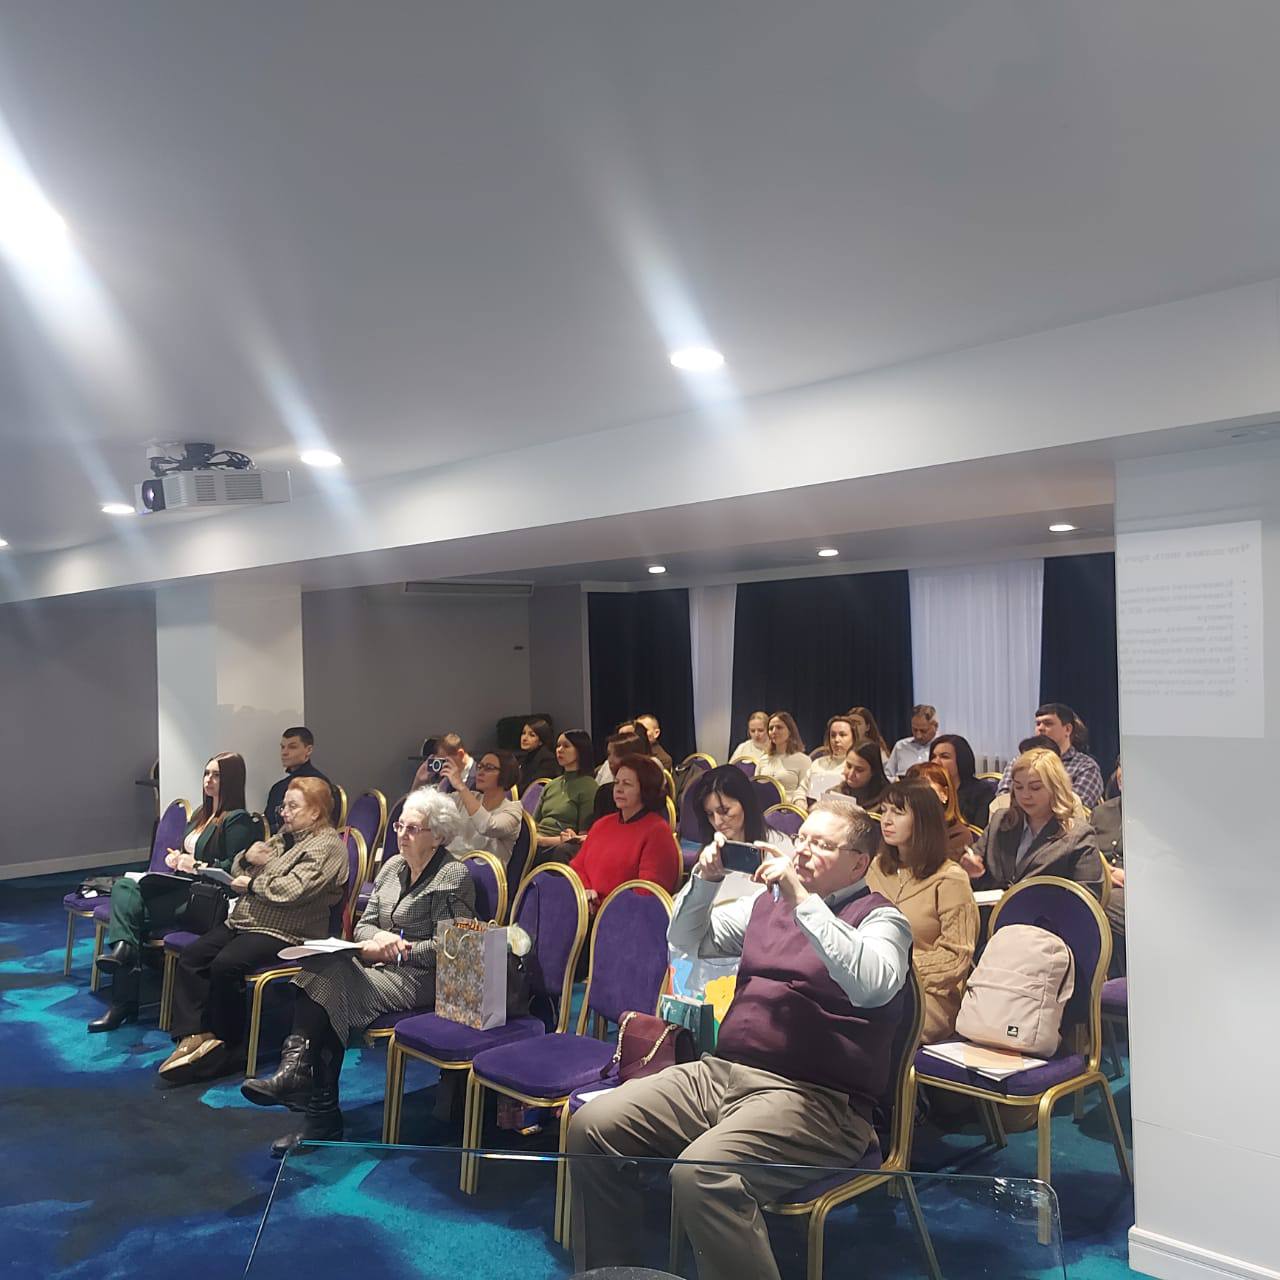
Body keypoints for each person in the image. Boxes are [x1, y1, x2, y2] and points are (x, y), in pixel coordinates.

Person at [567, 795, 912, 1280]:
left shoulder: (882, 920)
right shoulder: (766, 904)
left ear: (859, 863)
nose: (803, 851)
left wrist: (803, 901)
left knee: (703, 1173)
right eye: (802, 839)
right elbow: (687, 940)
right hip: (721, 1074)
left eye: (822, 845)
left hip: (817, 1102)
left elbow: (871, 985)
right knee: (592, 1126)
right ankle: (615, 1272)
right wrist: (705, 881)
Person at [240, 787, 476, 1153]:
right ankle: (303, 1083)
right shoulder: (393, 867)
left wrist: (398, 952)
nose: (402, 835)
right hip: (377, 966)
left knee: (329, 983)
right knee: (323, 970)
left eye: (413, 829)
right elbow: (364, 925)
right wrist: (377, 938)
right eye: (399, 826)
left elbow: (453, 949)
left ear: (438, 836)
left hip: (422, 978)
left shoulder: (453, 876)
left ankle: (310, 1096)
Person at [159, 776, 348, 1082]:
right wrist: (246, 858)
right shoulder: (284, 837)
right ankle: (196, 1034)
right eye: (284, 806)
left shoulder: (328, 846)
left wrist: (253, 883)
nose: (284, 812)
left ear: (315, 812)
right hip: (248, 920)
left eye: (293, 806)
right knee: (193, 957)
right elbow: (239, 870)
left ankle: (231, 1045)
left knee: (226, 964)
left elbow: (294, 889)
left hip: (290, 931)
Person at [89, 753, 258, 1033]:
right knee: (124, 886)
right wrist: (176, 858)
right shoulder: (202, 814)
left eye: (216, 775)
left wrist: (197, 865)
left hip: (206, 896)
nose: (209, 780)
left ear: (232, 779)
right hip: (180, 885)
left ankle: (123, 995)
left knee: (129, 918)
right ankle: (124, 954)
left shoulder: (238, 819)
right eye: (206, 773)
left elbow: (235, 867)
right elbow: (185, 852)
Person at [870, 779, 979, 1043]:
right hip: (870, 983)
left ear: (922, 820)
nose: (886, 820)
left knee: (869, 1023)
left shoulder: (950, 878)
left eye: (898, 812)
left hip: (927, 995)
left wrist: (894, 972)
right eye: (884, 811)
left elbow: (956, 956)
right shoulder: (876, 867)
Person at [964, 748, 1104, 896]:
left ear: (1055, 788)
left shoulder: (1078, 835)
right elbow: (976, 870)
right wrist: (970, 870)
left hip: (1046, 910)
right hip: (993, 909)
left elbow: (1087, 895)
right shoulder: (1001, 821)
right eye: (1018, 787)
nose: (1025, 795)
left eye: (1035, 788)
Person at [571, 755, 681, 907]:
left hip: (626, 915)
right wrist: (586, 893)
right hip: (585, 909)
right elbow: (577, 867)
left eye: (627, 784)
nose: (619, 789)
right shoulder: (602, 824)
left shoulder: (658, 831)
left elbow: (650, 892)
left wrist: (602, 906)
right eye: (616, 782)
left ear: (645, 789)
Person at [995, 703, 1103, 808]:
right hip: (1017, 818)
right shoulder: (1019, 760)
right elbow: (1002, 799)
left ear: (1067, 729)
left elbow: (1076, 806)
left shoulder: (1085, 766)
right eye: (1038, 724)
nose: (1040, 728)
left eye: (1048, 723)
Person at [446, 749, 525, 867]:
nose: (480, 772)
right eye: (480, 767)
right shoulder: (470, 797)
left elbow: (488, 827)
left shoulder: (513, 810)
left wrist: (461, 786)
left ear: (505, 774)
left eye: (488, 768)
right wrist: (420, 780)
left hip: (482, 874)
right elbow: (431, 807)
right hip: (450, 865)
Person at [532, 730, 598, 856]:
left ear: (580, 750)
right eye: (558, 746)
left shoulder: (589, 786)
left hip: (559, 843)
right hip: (537, 840)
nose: (559, 750)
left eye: (566, 746)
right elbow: (534, 823)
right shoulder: (551, 785)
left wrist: (543, 841)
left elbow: (582, 836)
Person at [265, 727, 333, 835]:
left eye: (292, 747)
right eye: (282, 747)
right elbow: (267, 824)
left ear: (308, 750)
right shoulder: (277, 788)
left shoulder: (318, 784)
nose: (284, 752)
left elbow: (324, 824)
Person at [1092, 762, 1125, 972]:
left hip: (1143, 892)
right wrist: (1102, 872)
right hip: (1101, 883)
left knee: (1102, 904)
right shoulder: (1101, 812)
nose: (1122, 773)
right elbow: (1087, 853)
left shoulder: (1167, 814)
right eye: (1121, 766)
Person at [904, 761, 973, 860]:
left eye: (923, 786)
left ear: (944, 793)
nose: (915, 794)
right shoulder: (902, 828)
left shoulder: (959, 835)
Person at [929, 733, 996, 830]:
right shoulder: (928, 789)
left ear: (961, 760)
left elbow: (979, 832)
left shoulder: (982, 792)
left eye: (945, 757)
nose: (936, 762)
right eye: (933, 757)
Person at [591, 731, 651, 823]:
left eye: (627, 783)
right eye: (609, 754)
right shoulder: (604, 793)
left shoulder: (651, 792)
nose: (610, 760)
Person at [756, 711, 811, 805]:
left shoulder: (803, 760)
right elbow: (755, 787)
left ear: (790, 731)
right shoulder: (763, 759)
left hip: (788, 809)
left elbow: (805, 793)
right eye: (771, 728)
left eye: (779, 727)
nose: (774, 731)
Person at [806, 715, 856, 805]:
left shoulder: (855, 766)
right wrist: (800, 801)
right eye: (833, 735)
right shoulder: (817, 763)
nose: (836, 740)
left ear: (853, 738)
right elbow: (801, 789)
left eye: (842, 735)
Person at [829, 741, 890, 811]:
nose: (851, 774)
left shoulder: (888, 803)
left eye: (859, 770)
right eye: (849, 766)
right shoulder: (834, 794)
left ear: (873, 772)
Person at [885, 704, 939, 779]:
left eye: (923, 731)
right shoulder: (901, 746)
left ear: (935, 726)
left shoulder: (942, 747)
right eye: (915, 730)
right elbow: (887, 775)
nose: (918, 736)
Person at [516, 717, 558, 792]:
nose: (524, 738)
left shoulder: (548, 760)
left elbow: (534, 788)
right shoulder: (522, 759)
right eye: (523, 733)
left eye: (532, 735)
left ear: (541, 740)